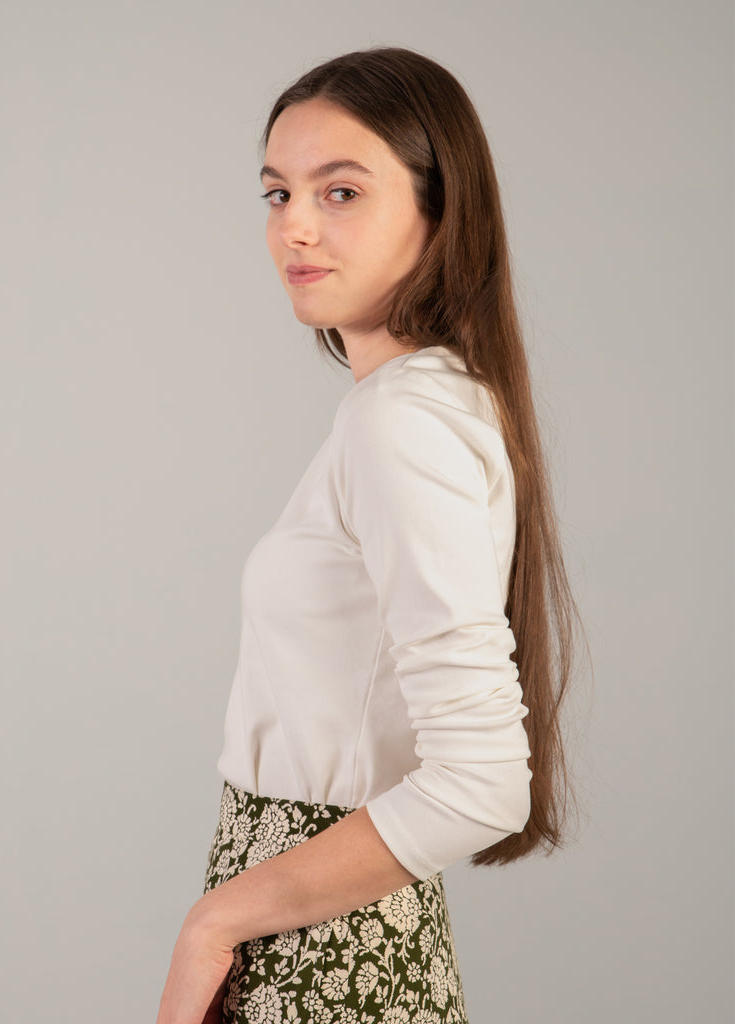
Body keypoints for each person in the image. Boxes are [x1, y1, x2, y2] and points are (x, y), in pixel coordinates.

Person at [156, 46, 580, 1024]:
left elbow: (482, 781)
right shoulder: (425, 407)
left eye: (340, 191)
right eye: (277, 192)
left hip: (323, 960)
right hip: (333, 932)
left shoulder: (401, 423)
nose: (294, 225)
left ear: (441, 211)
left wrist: (212, 924)